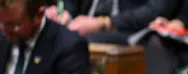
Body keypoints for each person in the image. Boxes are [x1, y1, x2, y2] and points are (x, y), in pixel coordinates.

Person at [44, 0, 180, 44]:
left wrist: (105, 22)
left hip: (132, 33)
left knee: (73, 43)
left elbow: (157, 9)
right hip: (81, 27)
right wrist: (66, 13)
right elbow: (72, 4)